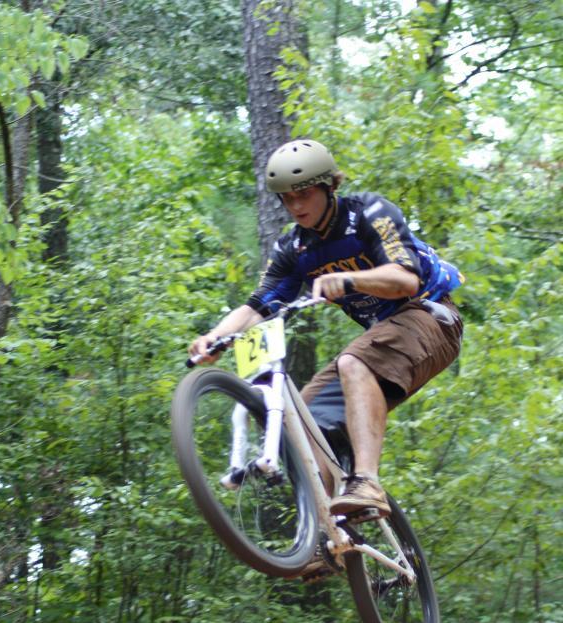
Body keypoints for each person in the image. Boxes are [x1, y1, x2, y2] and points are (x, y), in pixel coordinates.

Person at [190, 138, 463, 527]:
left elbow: (404, 279)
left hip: (431, 316)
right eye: (287, 198)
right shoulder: (295, 247)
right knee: (298, 423)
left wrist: (348, 279)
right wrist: (215, 337)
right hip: (387, 334)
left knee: (354, 362)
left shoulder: (369, 213)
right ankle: (328, 537)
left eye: (304, 194)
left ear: (329, 186)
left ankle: (366, 482)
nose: (296, 206)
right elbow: (258, 304)